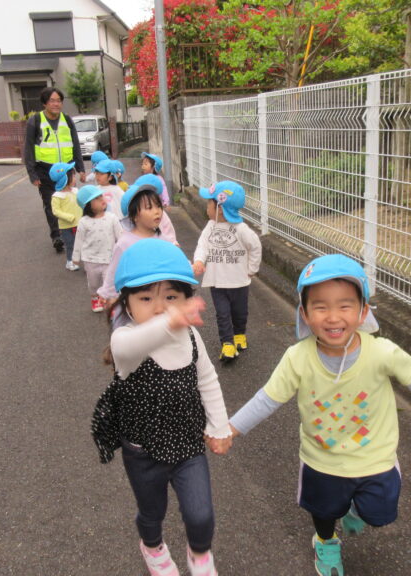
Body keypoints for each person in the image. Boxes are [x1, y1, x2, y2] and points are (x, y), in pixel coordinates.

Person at [228, 254, 411, 576]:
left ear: (363, 310)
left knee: (380, 514)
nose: (333, 317)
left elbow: (410, 370)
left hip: (375, 457)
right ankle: (325, 543)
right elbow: (267, 399)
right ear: (304, 313)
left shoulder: (379, 352)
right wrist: (231, 429)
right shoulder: (297, 358)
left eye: (344, 305)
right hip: (321, 458)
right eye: (320, 306)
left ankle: (355, 508)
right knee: (323, 511)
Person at [91, 238, 232, 576]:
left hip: (187, 444)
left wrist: (219, 425)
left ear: (186, 298)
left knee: (201, 514)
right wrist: (170, 321)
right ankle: (152, 547)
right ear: (126, 303)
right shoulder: (126, 341)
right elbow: (138, 340)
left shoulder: (192, 338)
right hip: (142, 451)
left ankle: (200, 555)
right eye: (145, 298)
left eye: (171, 297)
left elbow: (207, 379)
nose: (159, 307)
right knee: (152, 511)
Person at [192, 181, 262, 363]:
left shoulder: (241, 229)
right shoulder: (210, 227)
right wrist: (199, 260)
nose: (207, 206)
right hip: (217, 282)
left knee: (240, 312)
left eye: (209, 203)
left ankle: (239, 334)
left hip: (239, 281)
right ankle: (227, 343)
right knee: (222, 314)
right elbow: (203, 245)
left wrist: (252, 269)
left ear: (220, 208)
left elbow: (255, 247)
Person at [97, 175, 177, 305]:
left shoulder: (161, 237)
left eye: (158, 206)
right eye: (149, 208)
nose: (157, 212)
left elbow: (173, 260)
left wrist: (188, 266)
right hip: (135, 298)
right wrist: (107, 293)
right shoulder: (124, 243)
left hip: (160, 295)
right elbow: (113, 271)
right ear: (134, 216)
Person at [23, 87, 85, 252]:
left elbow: (75, 144)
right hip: (45, 170)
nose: (56, 104)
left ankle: (74, 232)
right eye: (52, 100)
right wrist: (32, 174)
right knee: (51, 204)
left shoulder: (67, 120)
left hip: (66, 169)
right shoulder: (35, 121)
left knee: (71, 201)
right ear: (44, 103)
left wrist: (80, 168)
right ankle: (57, 236)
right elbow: (28, 149)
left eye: (59, 101)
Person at [72, 184, 123, 312]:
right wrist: (75, 257)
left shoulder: (112, 218)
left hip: (109, 259)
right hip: (90, 260)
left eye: (101, 196)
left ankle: (111, 304)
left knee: (109, 284)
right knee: (93, 284)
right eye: (97, 198)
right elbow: (79, 240)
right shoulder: (84, 222)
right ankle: (95, 297)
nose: (102, 199)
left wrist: (125, 251)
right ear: (87, 205)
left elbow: (121, 237)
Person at [49, 162, 82, 271]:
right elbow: (56, 211)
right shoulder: (57, 196)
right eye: (72, 176)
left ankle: (82, 260)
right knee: (70, 244)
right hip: (66, 226)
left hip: (80, 223)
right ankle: (70, 261)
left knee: (82, 242)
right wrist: (69, 217)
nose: (74, 178)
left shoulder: (76, 191)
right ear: (64, 179)